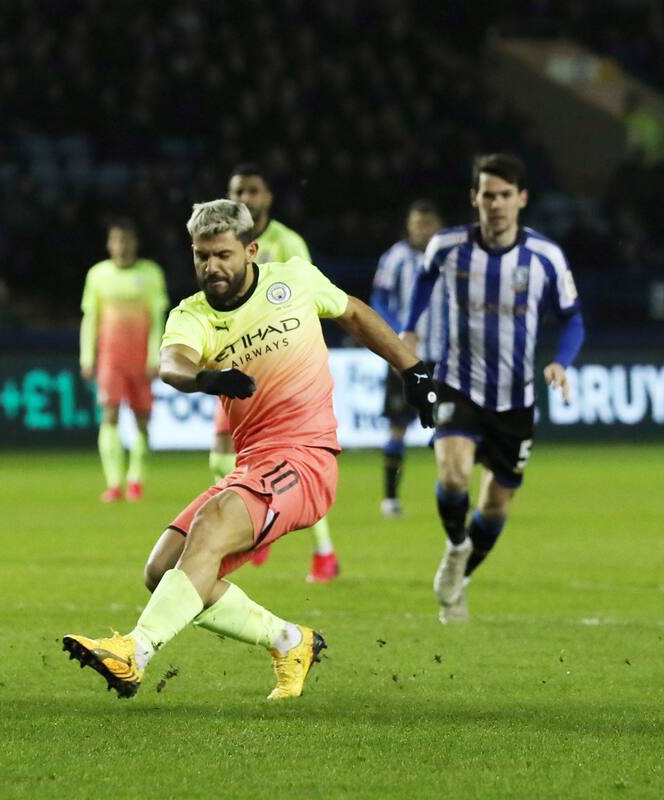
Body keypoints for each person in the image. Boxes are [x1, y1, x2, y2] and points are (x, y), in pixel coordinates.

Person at [62, 199, 436, 701]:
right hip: (255, 464)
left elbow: (353, 313)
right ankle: (290, 641)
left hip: (306, 458)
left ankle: (136, 650)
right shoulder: (192, 314)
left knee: (213, 523)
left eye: (222, 255)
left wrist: (412, 369)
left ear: (250, 250)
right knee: (161, 571)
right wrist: (208, 377)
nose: (211, 267)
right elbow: (172, 362)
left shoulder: (294, 281)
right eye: (201, 257)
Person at [401, 154, 584, 624]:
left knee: (496, 504)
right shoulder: (447, 246)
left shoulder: (545, 257)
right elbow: (423, 283)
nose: (496, 204)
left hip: (516, 397)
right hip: (459, 383)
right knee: (452, 474)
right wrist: (410, 329)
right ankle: (456, 545)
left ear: (521, 199)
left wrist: (561, 363)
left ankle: (460, 576)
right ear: (474, 198)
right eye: (488, 194)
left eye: (505, 195)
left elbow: (572, 319)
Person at [223, 162, 339, 580]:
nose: (245, 199)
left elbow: (312, 299)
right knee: (227, 455)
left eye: (253, 191)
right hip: (235, 369)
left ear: (268, 197)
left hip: (282, 372)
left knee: (292, 464)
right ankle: (259, 528)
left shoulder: (288, 243)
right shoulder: (223, 244)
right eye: (238, 191)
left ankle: (323, 553)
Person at [79, 219, 169, 502]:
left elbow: (158, 320)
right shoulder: (98, 275)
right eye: (116, 240)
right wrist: (87, 355)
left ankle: (135, 480)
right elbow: (91, 318)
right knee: (110, 415)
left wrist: (156, 356)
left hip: (141, 358)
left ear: (135, 243)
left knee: (142, 420)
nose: (122, 245)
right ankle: (114, 483)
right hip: (111, 359)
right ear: (109, 244)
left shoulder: (151, 273)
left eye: (126, 239)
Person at [371, 200, 445, 518]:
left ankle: (451, 495)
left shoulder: (450, 258)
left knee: (451, 429)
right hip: (405, 356)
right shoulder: (396, 258)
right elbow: (378, 299)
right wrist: (397, 334)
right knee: (398, 428)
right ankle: (390, 498)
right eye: (417, 224)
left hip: (445, 354)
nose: (422, 230)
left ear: (438, 226)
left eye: (428, 224)